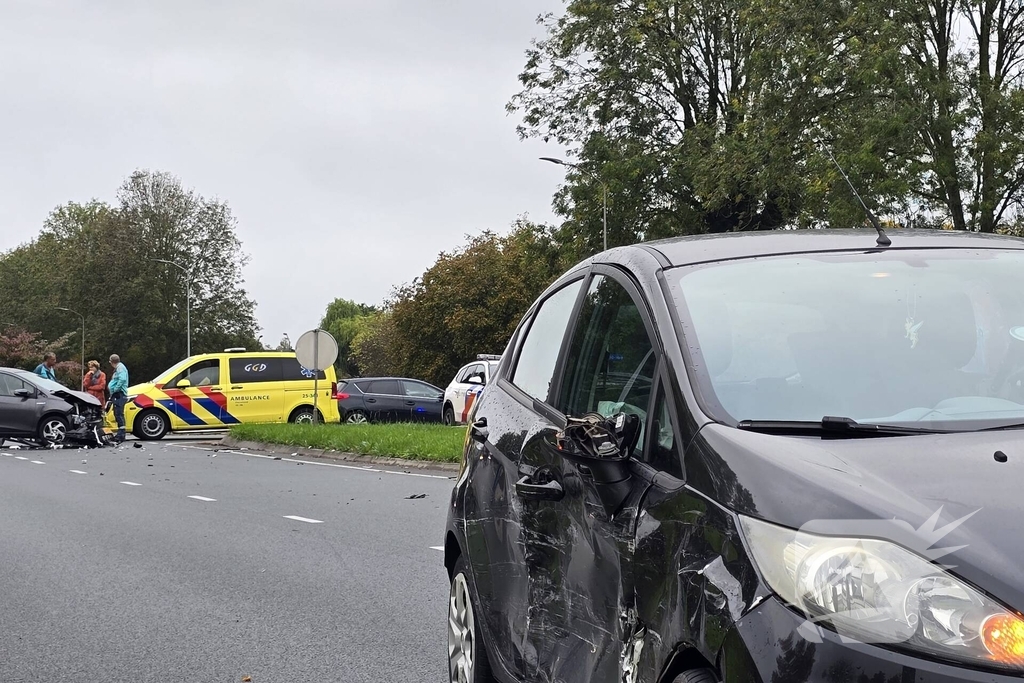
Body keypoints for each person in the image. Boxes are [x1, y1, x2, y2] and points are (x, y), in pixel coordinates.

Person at [108, 354, 130, 444]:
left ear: (111, 362)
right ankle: (120, 434)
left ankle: (121, 435)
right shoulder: (120, 367)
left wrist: (116, 389)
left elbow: (122, 379)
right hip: (118, 394)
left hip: (119, 394)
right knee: (118, 413)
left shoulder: (120, 368)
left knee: (119, 413)